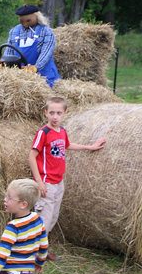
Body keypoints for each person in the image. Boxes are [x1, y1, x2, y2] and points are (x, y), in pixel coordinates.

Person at [28, 96, 106, 260]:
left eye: (58, 113)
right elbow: (31, 156)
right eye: (51, 113)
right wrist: (39, 181)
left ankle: (41, 249)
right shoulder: (44, 133)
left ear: (64, 113)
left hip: (59, 182)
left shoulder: (62, 131)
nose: (55, 116)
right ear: (46, 113)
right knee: (44, 219)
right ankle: (34, 252)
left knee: (53, 217)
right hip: (47, 183)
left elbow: (68, 145)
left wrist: (89, 147)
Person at [4, 4, 61, 87]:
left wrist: (36, 67)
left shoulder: (45, 31)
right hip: (20, 75)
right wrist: (5, 63)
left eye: (28, 21)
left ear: (37, 17)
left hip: (44, 74)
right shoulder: (14, 31)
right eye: (22, 21)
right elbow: (9, 50)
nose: (25, 24)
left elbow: (46, 53)